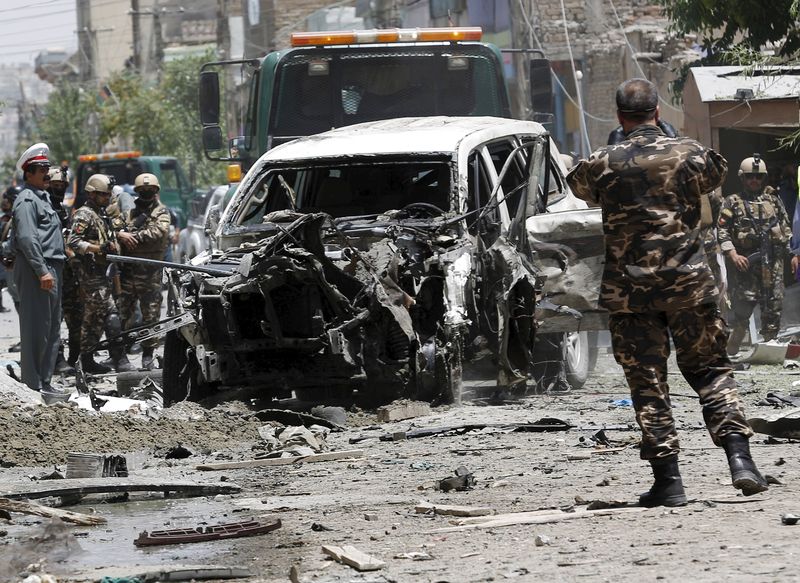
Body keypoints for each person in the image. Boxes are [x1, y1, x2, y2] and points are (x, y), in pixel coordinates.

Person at [567, 78, 768, 506]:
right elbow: (717, 173)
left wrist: (615, 151)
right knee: (711, 371)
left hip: (631, 294)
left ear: (620, 117)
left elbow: (578, 187)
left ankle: (669, 482)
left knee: (648, 383)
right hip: (689, 288)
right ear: (657, 111)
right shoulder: (690, 153)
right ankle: (741, 461)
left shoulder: (603, 161)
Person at [718, 155, 792, 353]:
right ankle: (733, 345)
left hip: (772, 264)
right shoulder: (732, 202)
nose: (754, 180)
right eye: (750, 176)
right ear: (742, 178)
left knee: (773, 304)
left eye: (758, 177)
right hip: (746, 265)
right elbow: (722, 231)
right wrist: (733, 254)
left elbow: (786, 228)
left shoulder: (773, 201)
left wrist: (790, 251)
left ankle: (769, 346)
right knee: (743, 307)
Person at [11, 143, 67, 395]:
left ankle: (44, 383)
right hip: (38, 269)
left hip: (51, 267)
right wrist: (41, 270)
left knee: (52, 328)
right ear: (29, 172)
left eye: (48, 168)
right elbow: (26, 238)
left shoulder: (42, 197)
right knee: (37, 329)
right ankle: (32, 385)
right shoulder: (25, 200)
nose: (48, 173)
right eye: (43, 169)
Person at [67, 174, 134, 373]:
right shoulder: (84, 214)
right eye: (103, 195)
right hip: (90, 274)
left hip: (102, 273)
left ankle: (92, 360)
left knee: (99, 317)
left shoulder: (100, 213)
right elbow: (73, 242)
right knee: (103, 315)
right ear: (92, 194)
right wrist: (99, 249)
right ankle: (114, 360)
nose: (107, 198)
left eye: (108, 194)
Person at [114, 173, 170, 370]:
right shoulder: (128, 214)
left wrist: (132, 236)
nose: (146, 193)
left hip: (150, 273)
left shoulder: (161, 212)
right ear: (137, 192)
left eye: (150, 190)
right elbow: (114, 230)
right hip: (128, 273)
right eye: (143, 191)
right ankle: (121, 356)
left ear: (156, 191)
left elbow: (159, 232)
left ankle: (148, 356)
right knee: (123, 315)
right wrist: (121, 234)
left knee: (151, 316)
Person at [47, 166, 80, 372]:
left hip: (69, 273)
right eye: (55, 185)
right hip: (52, 270)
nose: (58, 189)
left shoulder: (64, 210)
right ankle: (56, 359)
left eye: (62, 186)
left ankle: (76, 358)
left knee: (76, 315)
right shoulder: (43, 209)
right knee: (54, 318)